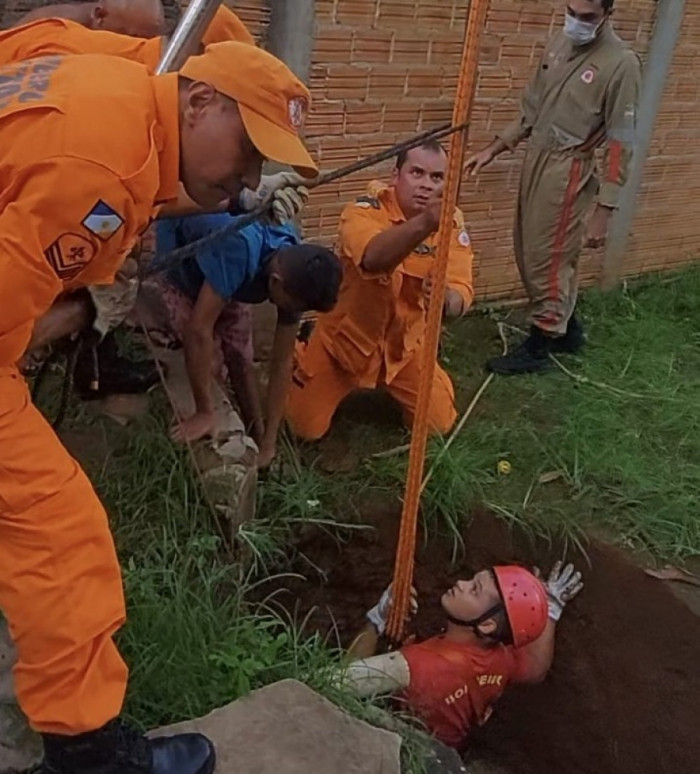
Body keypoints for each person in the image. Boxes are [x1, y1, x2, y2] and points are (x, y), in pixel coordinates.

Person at [0, 41, 317, 773]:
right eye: (246, 152)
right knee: (61, 539)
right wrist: (72, 310)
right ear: (201, 102)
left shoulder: (121, 93)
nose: (244, 180)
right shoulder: (102, 174)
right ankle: (88, 757)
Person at [465, 0, 640, 375]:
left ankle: (540, 343)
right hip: (536, 158)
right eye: (571, 12)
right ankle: (568, 328)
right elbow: (533, 106)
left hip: (569, 166)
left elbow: (620, 142)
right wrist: (495, 147)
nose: (576, 23)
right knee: (529, 247)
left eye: (587, 17)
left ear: (608, 14)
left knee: (549, 255)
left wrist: (604, 210)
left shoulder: (620, 63)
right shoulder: (558, 44)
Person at [286, 141, 474, 441]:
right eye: (417, 173)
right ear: (395, 175)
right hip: (343, 348)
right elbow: (373, 258)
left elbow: (461, 288)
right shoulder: (362, 212)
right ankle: (304, 352)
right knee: (303, 429)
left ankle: (413, 382)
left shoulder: (451, 225)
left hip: (404, 350)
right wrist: (426, 224)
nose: (426, 185)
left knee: (438, 426)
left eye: (437, 178)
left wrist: (445, 301)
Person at [151, 215, 342, 465]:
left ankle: (256, 434)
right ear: (275, 283)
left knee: (241, 355)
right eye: (291, 306)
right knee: (211, 363)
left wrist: (269, 443)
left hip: (229, 267)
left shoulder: (294, 270)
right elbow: (198, 331)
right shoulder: (238, 251)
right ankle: (217, 420)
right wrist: (204, 412)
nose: (291, 312)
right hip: (182, 262)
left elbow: (282, 361)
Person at [342, 562, 583, 750]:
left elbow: (334, 684)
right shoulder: (501, 658)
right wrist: (550, 608)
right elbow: (534, 669)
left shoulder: (415, 665)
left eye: (474, 590)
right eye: (472, 580)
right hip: (450, 750)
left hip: (404, 748)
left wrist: (377, 620)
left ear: (488, 625)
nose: (460, 582)